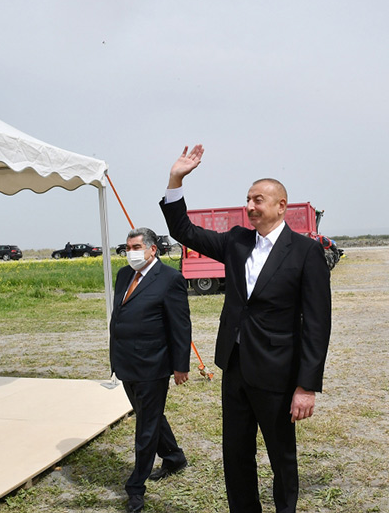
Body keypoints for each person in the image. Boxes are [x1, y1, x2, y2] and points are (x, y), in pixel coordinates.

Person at [160, 144, 332, 513]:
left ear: (281, 206)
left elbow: (318, 324)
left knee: (281, 454)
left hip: (278, 371)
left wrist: (307, 386)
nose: (250, 206)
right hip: (235, 365)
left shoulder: (305, 252)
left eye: (258, 200)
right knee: (236, 453)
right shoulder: (236, 241)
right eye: (248, 200)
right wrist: (176, 180)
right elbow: (183, 230)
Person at [109, 227, 192, 513]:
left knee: (145, 426)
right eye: (127, 247)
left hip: (152, 365)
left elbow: (180, 325)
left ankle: (136, 487)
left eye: (136, 247)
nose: (130, 252)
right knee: (150, 415)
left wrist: (181, 365)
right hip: (126, 362)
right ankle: (174, 457)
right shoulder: (124, 275)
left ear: (152, 249)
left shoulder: (169, 279)